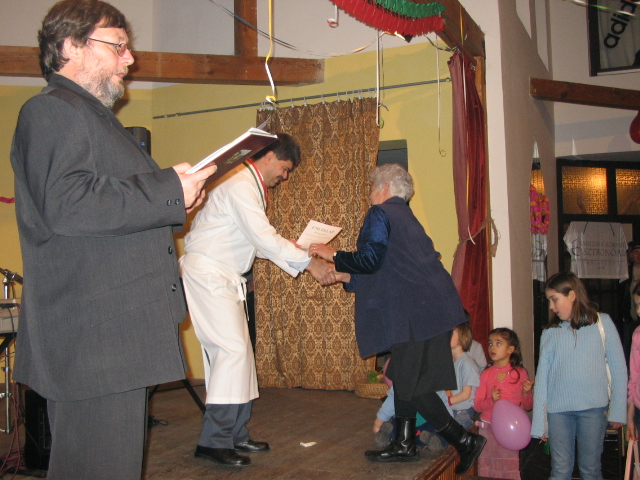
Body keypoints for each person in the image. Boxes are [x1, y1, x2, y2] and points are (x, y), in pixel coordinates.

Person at [9, 1, 216, 479]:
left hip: (110, 337)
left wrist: (177, 197)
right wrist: (167, 190)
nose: (130, 58)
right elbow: (69, 204)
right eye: (118, 46)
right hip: (95, 341)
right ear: (71, 47)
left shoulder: (91, 118)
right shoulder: (51, 110)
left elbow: (105, 209)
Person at [309, 163, 486, 475]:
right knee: (406, 379)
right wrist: (343, 275)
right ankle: (404, 443)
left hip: (418, 312)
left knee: (411, 384)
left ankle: (464, 440)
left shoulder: (381, 212)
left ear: (386, 188)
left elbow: (369, 260)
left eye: (372, 188)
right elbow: (387, 270)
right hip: (429, 308)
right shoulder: (406, 217)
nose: (369, 195)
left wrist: (332, 253)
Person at [181, 134, 333, 467]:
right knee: (232, 353)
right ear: (269, 156)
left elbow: (255, 239)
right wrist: (309, 263)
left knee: (241, 356)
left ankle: (235, 434)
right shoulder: (240, 184)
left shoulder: (247, 185)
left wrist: (294, 249)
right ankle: (213, 441)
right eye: (285, 168)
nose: (285, 176)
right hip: (210, 275)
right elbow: (263, 238)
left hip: (223, 277)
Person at [532, 272, 627, 480]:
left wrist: (618, 410)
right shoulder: (550, 332)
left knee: (590, 469)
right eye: (549, 301)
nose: (551, 307)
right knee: (560, 471)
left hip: (593, 410)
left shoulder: (602, 323)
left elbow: (619, 368)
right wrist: (540, 422)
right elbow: (542, 381)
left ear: (572, 295)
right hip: (558, 413)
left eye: (554, 299)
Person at [474, 328, 533, 479]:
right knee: (488, 468)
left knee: (508, 467)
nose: (492, 347)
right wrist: (491, 401)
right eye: (490, 343)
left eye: (498, 343)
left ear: (511, 349)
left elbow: (528, 406)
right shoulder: (486, 374)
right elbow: (477, 405)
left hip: (510, 431)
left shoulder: (520, 373)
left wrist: (526, 393)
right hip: (488, 429)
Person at [448, 322, 481, 430]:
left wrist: (448, 401)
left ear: (464, 339)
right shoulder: (449, 361)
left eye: (451, 333)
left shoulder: (467, 363)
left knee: (450, 429)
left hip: (464, 409)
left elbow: (466, 394)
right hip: (453, 407)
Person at [620, 241, 640, 364]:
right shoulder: (626, 272)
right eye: (636, 252)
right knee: (628, 345)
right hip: (630, 314)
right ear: (631, 254)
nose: (638, 255)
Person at [627, 282, 640, 443]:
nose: (638, 311)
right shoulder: (637, 334)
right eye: (636, 305)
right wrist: (630, 415)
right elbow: (634, 376)